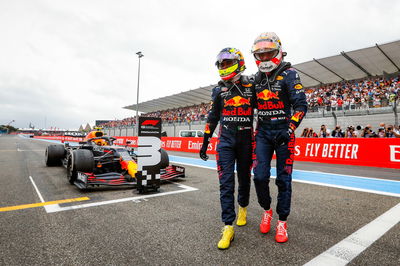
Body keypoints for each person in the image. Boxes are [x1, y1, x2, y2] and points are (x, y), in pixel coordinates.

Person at [251, 32, 307, 243]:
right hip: (263, 134)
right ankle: (267, 210)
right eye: (261, 55)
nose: (265, 59)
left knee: (284, 180)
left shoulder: (290, 74)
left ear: (278, 52)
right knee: (259, 177)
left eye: (269, 54)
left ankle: (282, 222)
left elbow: (301, 105)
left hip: (285, 133)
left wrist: (290, 128)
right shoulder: (255, 79)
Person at [199, 47, 256, 250]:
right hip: (225, 142)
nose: (224, 67)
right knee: (225, 183)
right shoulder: (218, 90)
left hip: (246, 141)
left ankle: (243, 207)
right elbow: (212, 118)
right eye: (221, 64)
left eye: (227, 63)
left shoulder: (252, 85)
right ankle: (227, 226)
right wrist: (205, 142)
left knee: (244, 178)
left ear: (238, 63)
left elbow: (267, 110)